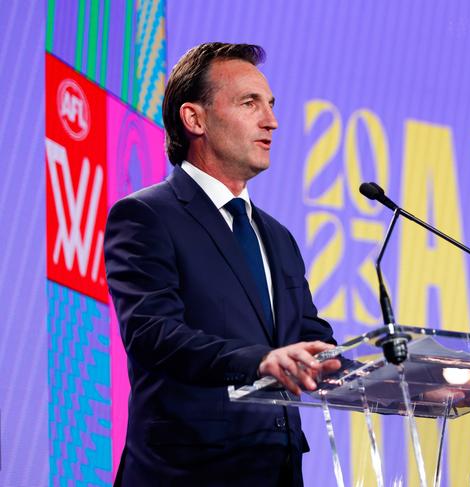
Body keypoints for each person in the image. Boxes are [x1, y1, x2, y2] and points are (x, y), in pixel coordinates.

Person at [104, 42, 340, 486]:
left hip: (276, 472)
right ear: (195, 119)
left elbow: (315, 345)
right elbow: (153, 334)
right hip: (185, 472)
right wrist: (260, 360)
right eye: (249, 103)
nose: (271, 120)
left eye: (270, 104)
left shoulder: (278, 237)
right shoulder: (147, 216)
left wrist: (425, 387)